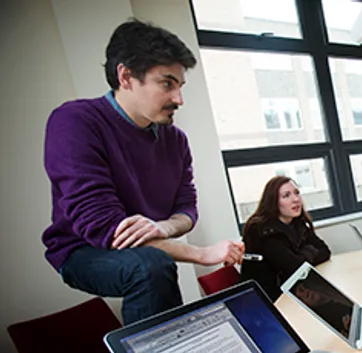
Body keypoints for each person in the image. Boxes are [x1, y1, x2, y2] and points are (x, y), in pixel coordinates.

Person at [42, 19, 244, 325]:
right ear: (125, 76)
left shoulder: (176, 140)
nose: (179, 99)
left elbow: (187, 209)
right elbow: (107, 230)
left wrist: (162, 227)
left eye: (180, 86)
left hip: (143, 251)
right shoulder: (74, 122)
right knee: (150, 266)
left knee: (151, 261)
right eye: (167, 84)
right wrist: (202, 254)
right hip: (83, 250)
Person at [241, 176, 331, 301]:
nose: (296, 199)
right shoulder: (260, 229)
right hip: (267, 299)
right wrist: (309, 251)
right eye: (286, 196)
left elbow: (325, 251)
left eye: (297, 193)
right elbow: (295, 268)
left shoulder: (297, 222)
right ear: (273, 202)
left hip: (292, 289)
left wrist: (301, 255)